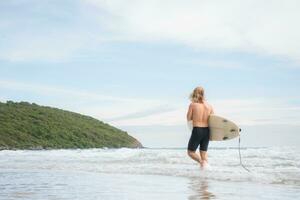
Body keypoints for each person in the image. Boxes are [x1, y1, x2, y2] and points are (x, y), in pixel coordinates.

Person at [186, 86, 214, 168]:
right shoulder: (209, 106)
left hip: (197, 130)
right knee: (204, 154)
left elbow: (188, 118)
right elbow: (213, 119)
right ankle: (206, 173)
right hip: (207, 131)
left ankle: (202, 163)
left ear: (194, 93)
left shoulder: (193, 105)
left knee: (190, 152)